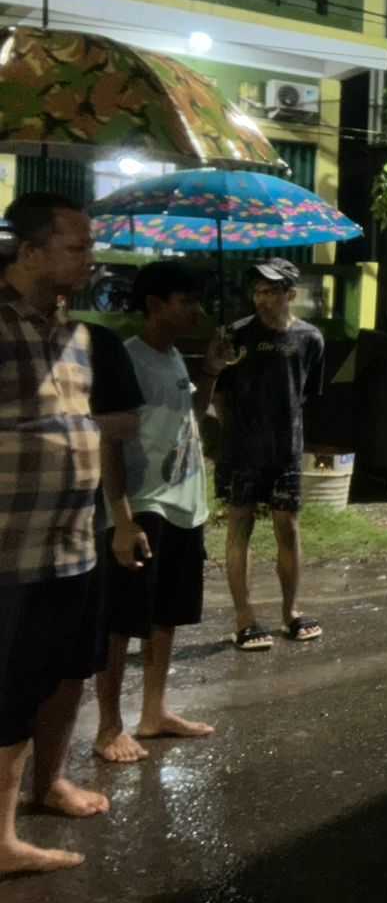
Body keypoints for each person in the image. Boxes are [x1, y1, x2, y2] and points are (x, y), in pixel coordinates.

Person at [0, 193, 101, 875]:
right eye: (76, 248)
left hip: (71, 546)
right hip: (8, 550)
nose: (90, 262)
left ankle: (32, 800)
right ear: (30, 251)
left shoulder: (78, 334)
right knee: (3, 694)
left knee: (42, 682)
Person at [94, 262, 230, 762]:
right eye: (185, 300)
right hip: (144, 505)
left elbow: (187, 422)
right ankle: (109, 727)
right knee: (121, 622)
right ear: (153, 305)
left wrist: (210, 372)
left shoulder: (173, 357)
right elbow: (111, 441)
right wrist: (122, 517)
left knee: (165, 616)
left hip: (183, 508)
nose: (196, 309)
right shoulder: (127, 359)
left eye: (197, 300)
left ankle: (155, 712)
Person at [26, 320, 143, 809]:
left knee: (71, 661)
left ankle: (50, 779)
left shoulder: (96, 342)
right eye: (73, 249)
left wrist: (120, 518)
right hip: (15, 524)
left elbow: (122, 427)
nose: (86, 261)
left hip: (77, 525)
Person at [213, 257, 324, 651]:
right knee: (239, 526)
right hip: (243, 449)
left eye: (270, 291)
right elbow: (219, 392)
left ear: (290, 294)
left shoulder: (310, 339)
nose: (261, 298)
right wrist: (234, 433)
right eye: (257, 291)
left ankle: (290, 613)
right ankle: (244, 620)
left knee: (287, 529)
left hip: (286, 450)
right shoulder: (236, 335)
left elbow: (305, 392)